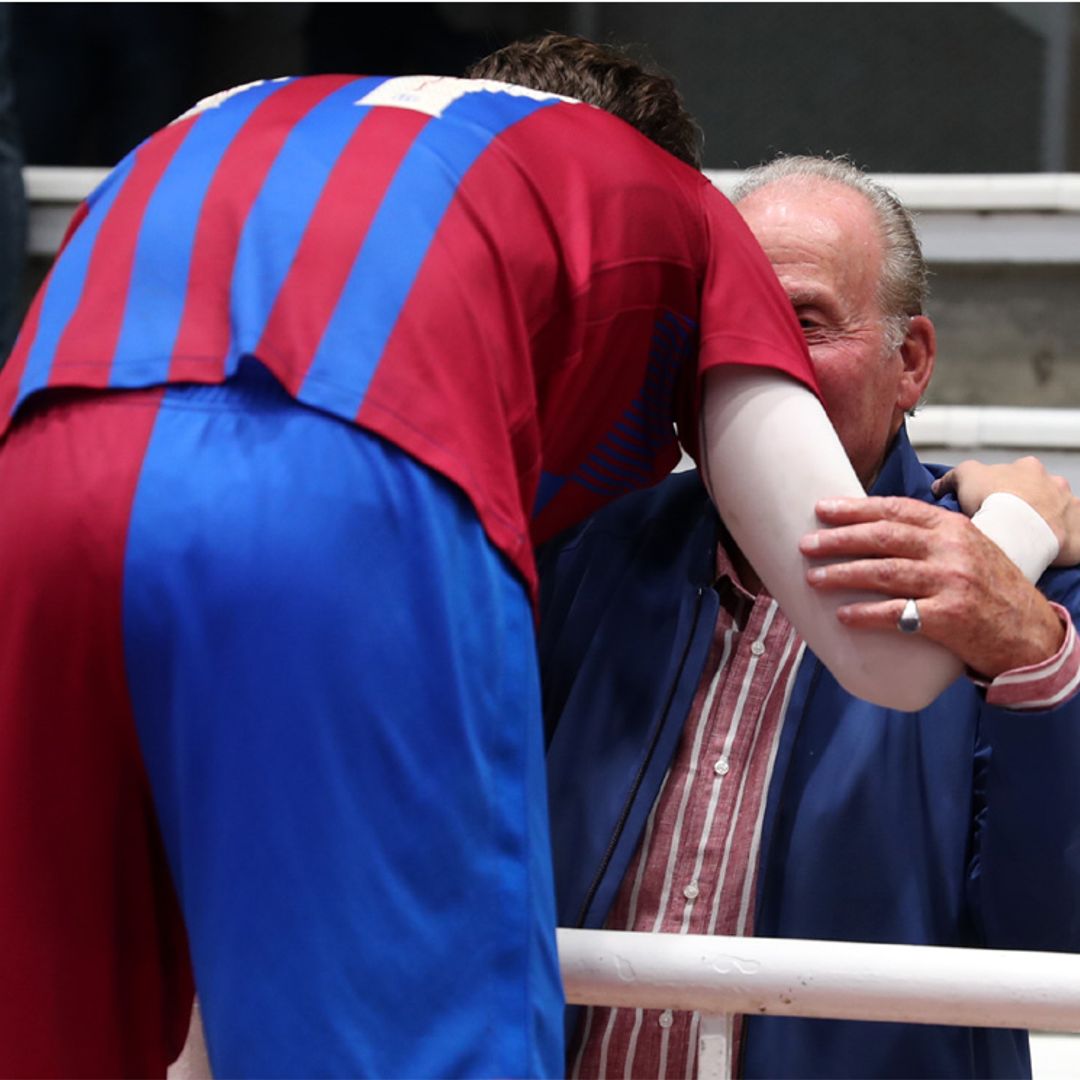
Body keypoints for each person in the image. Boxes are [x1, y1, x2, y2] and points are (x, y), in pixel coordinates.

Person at [0, 36, 923, 1078]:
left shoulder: (225, 110)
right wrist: (1015, 525)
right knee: (425, 1036)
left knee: (50, 1014)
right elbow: (882, 643)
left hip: (33, 479)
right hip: (357, 479)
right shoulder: (672, 204)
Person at [540, 156, 1080, 1079]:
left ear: (907, 363)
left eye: (803, 321)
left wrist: (1029, 651)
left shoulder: (1029, 601)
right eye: (728, 321)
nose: (755, 357)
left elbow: (1051, 938)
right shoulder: (594, 552)